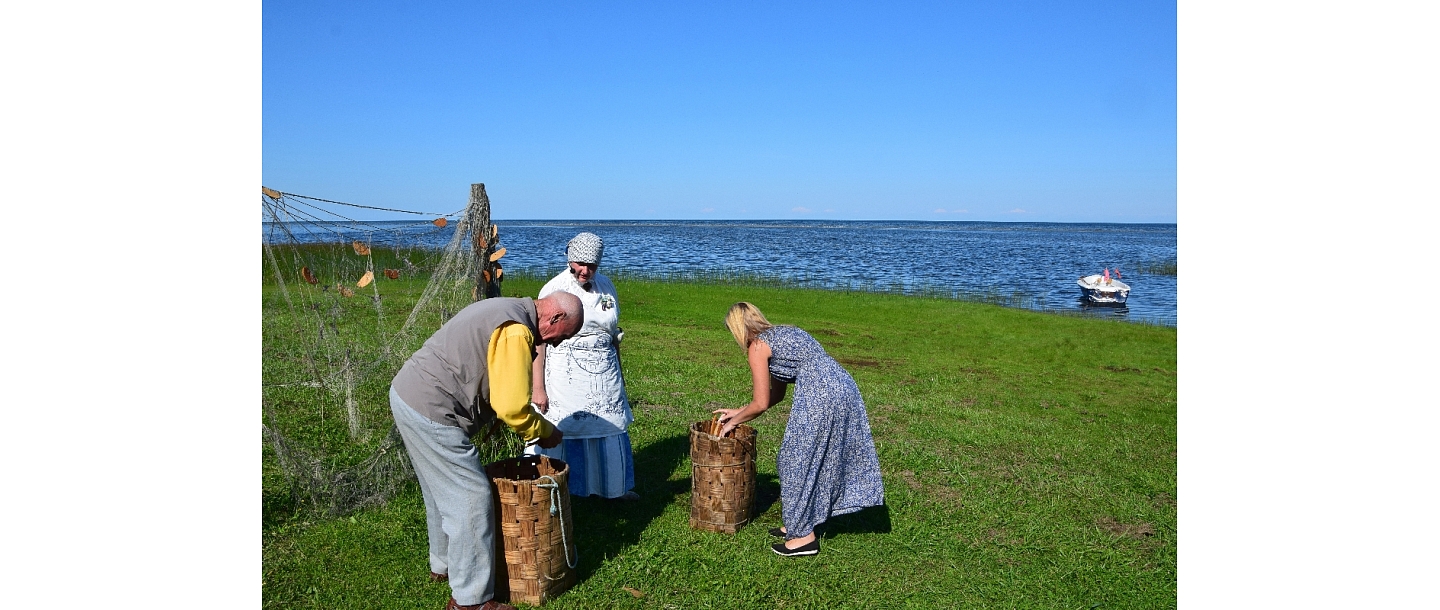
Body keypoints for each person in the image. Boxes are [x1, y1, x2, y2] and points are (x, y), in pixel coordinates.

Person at [389, 292, 583, 610]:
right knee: (471, 496)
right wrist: (544, 431)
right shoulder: (516, 329)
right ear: (556, 318)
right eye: (563, 336)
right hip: (431, 406)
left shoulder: (508, 309)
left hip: (408, 394)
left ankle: (444, 565)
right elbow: (512, 408)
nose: (558, 343)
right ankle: (471, 600)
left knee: (440, 490)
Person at [713, 302, 885, 557]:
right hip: (842, 385)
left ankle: (804, 538)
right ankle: (798, 523)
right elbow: (776, 395)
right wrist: (738, 412)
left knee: (794, 460)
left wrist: (733, 422)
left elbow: (760, 403)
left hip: (819, 393)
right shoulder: (784, 332)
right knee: (816, 457)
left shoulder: (757, 347)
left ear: (737, 329)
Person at [526, 232, 639, 500]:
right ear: (570, 259)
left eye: (592, 265)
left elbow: (613, 334)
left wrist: (620, 376)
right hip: (566, 375)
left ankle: (611, 487)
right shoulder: (553, 289)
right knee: (566, 426)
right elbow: (540, 341)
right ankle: (560, 489)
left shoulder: (606, 286)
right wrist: (538, 388)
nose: (585, 271)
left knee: (608, 425)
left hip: (604, 373)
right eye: (580, 264)